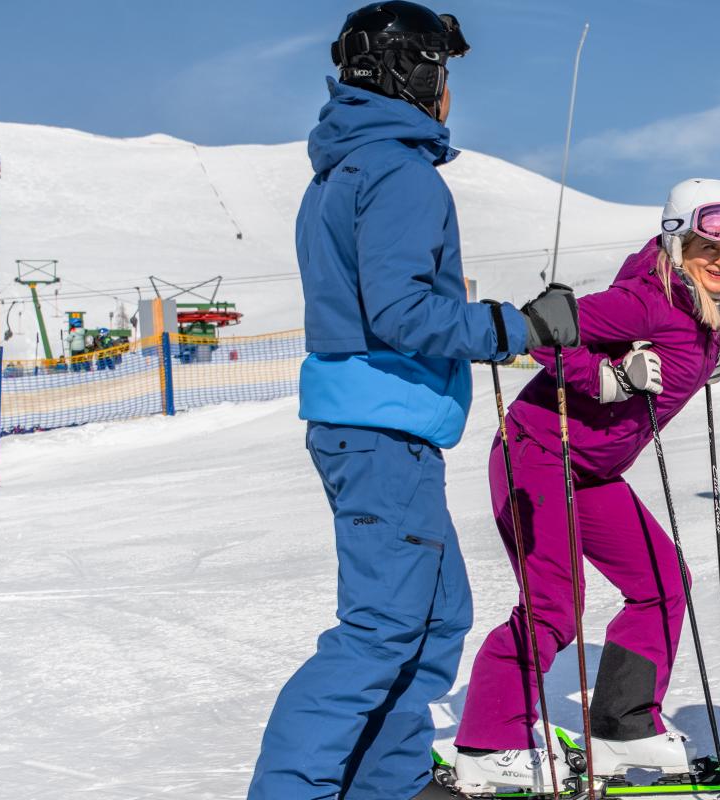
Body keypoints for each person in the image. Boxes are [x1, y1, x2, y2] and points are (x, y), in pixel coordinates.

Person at [247, 4, 580, 799]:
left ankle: (385, 784)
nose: (448, 92)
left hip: (374, 425)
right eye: (443, 71)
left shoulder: (344, 170)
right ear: (415, 73)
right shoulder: (399, 171)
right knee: (382, 627)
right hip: (378, 428)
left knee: (433, 621)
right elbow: (400, 313)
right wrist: (518, 325)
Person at [451, 178, 720, 794]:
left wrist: (702, 359)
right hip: (536, 455)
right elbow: (542, 328)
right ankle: (487, 743)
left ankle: (622, 726)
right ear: (678, 244)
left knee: (663, 581)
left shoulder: (703, 306)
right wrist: (608, 375)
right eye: (707, 246)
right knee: (552, 607)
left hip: (591, 472)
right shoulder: (643, 301)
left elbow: (679, 347)